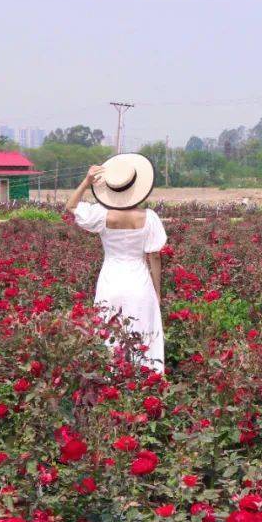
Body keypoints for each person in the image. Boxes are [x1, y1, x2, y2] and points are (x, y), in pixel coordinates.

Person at [64, 153, 167, 373]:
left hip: (110, 281)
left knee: (109, 334)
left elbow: (71, 207)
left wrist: (86, 181)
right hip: (139, 282)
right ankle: (146, 382)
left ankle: (111, 382)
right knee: (144, 334)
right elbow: (155, 256)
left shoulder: (102, 215)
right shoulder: (149, 218)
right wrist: (157, 291)